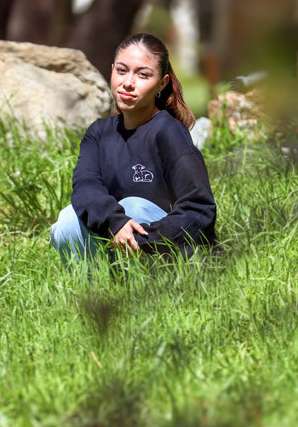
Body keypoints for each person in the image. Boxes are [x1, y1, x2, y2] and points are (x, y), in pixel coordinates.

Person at [50, 33, 217, 269]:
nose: (128, 82)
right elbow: (85, 187)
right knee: (67, 220)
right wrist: (115, 222)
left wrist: (143, 237)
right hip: (112, 242)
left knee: (134, 207)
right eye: (121, 70)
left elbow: (199, 208)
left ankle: (143, 296)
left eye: (143, 75)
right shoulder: (98, 133)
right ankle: (88, 294)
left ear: (162, 83)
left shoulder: (169, 132)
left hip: (163, 251)